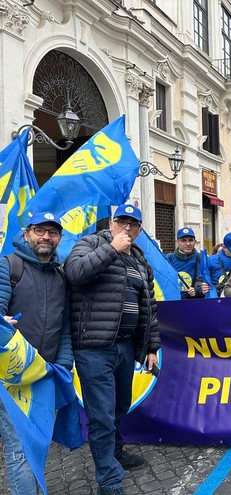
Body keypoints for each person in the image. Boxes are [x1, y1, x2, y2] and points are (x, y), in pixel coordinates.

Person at [64, 204, 160, 495]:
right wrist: (112, 249)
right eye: (122, 222)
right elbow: (75, 273)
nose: (127, 228)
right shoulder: (92, 243)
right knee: (101, 415)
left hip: (125, 347)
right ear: (112, 223)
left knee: (118, 407)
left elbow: (149, 307)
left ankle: (115, 452)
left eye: (133, 224)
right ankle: (108, 480)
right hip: (94, 348)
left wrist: (151, 347)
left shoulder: (141, 260)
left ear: (140, 230)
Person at [0, 212, 72, 495]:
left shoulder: (61, 275)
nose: (46, 237)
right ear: (27, 233)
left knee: (38, 445)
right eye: (40, 231)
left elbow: (64, 326)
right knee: (21, 448)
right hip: (11, 376)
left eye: (52, 233)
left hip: (44, 376)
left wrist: (64, 364)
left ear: (59, 239)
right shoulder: (8, 266)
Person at [165, 227, 212, 299]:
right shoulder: (169, 259)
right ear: (177, 242)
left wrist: (197, 290)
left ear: (195, 242)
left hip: (194, 305)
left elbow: (204, 279)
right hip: (173, 303)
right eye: (183, 241)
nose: (188, 244)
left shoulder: (201, 258)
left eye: (191, 240)